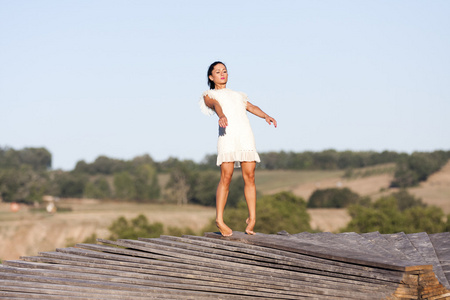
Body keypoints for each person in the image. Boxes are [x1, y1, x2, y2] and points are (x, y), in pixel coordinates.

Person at [199, 61, 277, 236]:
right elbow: (215, 104)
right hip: (227, 136)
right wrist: (222, 115)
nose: (222, 74)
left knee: (250, 176)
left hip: (245, 136)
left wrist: (266, 115)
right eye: (218, 72)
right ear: (211, 77)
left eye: (224, 71)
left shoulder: (238, 95)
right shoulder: (208, 94)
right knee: (226, 177)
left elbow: (251, 107)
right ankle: (219, 219)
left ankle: (252, 219)